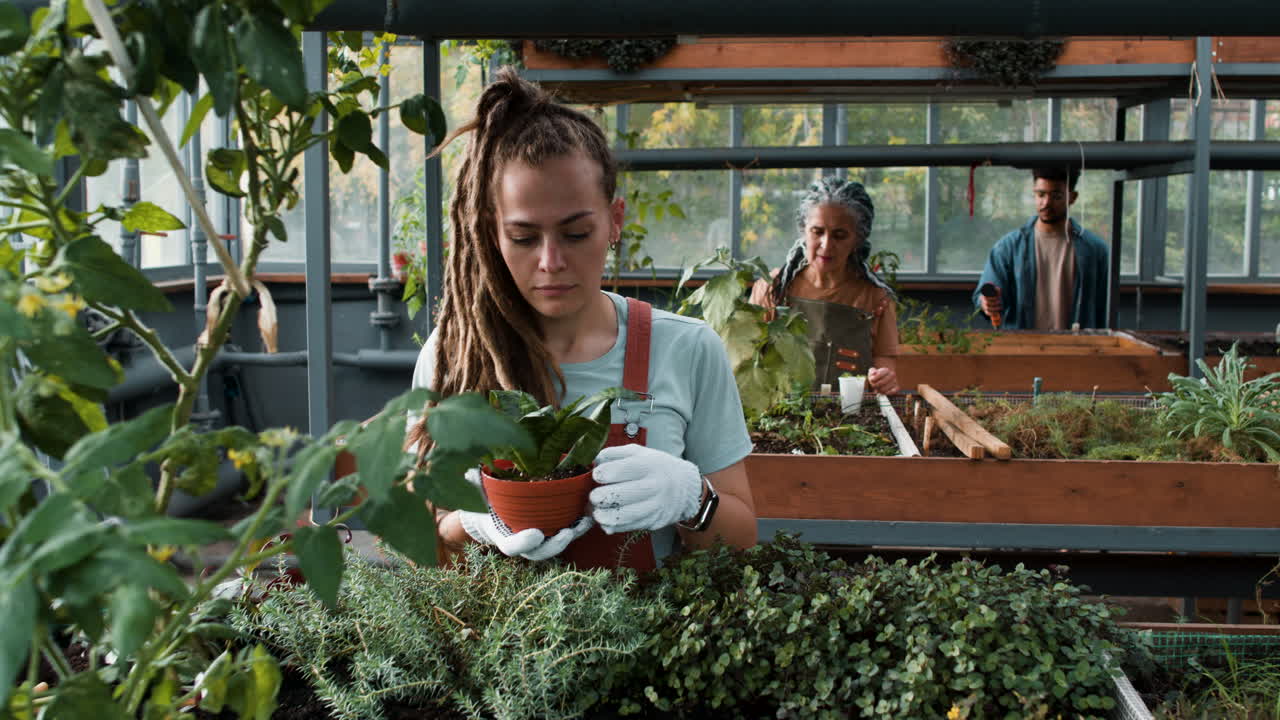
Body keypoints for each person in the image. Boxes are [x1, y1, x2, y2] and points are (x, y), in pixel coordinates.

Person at [405, 68, 756, 570]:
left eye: (575, 233)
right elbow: (421, 541)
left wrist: (691, 499)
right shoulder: (453, 355)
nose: (551, 262)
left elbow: (742, 539)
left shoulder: (687, 349)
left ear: (614, 220)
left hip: (650, 638)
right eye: (524, 238)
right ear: (492, 234)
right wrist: (476, 523)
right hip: (494, 643)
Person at [748, 176, 901, 395]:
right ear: (803, 230)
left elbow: (884, 361)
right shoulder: (774, 288)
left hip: (849, 421)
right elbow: (748, 356)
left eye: (840, 235)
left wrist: (883, 378)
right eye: (817, 232)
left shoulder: (875, 298)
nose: (826, 245)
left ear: (858, 239)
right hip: (777, 418)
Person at [973, 167, 1110, 330]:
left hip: (1077, 349)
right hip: (1024, 348)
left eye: (1056, 196)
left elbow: (1105, 309)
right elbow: (984, 297)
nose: (1046, 203)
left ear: (1072, 197)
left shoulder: (1094, 250)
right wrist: (987, 303)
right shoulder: (1009, 247)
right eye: (1041, 194)